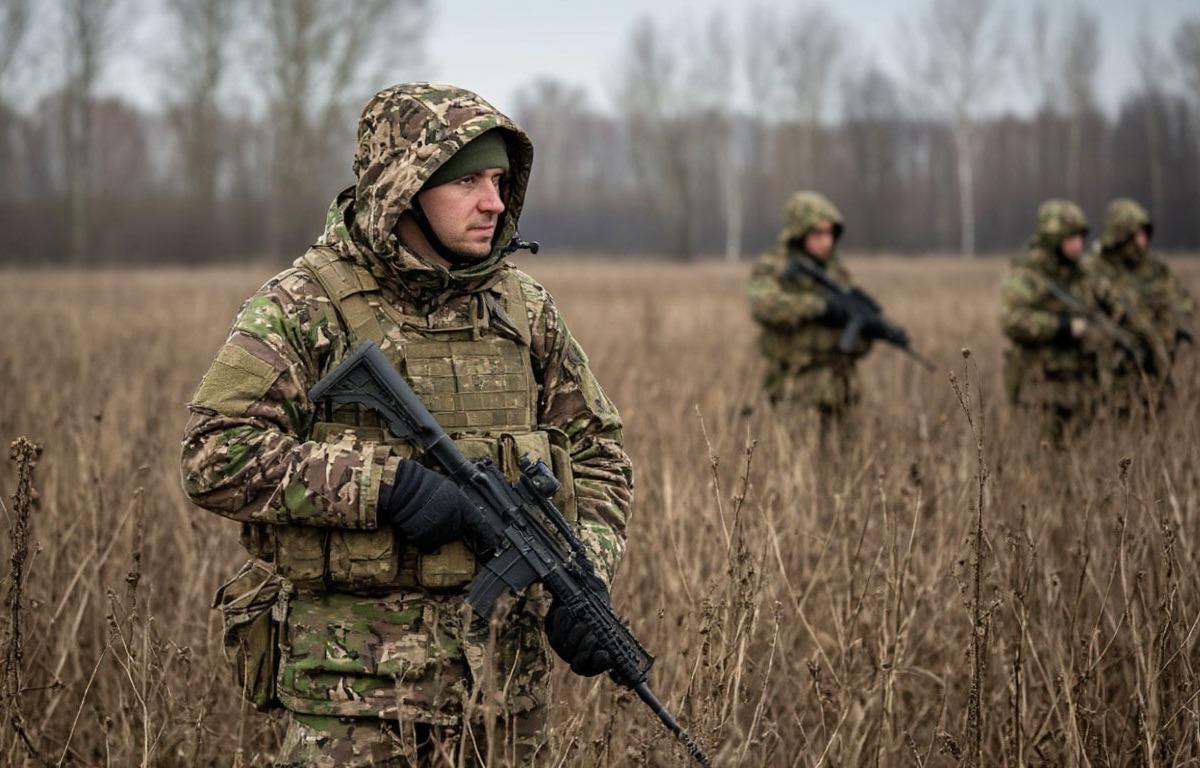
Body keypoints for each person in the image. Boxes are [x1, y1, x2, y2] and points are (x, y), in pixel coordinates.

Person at [180, 83, 633, 766]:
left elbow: (598, 453)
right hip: (356, 700)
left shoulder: (524, 309)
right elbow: (215, 454)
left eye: (500, 181)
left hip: (503, 704)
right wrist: (385, 488)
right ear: (404, 187)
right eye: (468, 181)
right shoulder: (307, 304)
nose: (494, 202)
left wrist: (584, 571)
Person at [998, 199, 1160, 440]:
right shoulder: (1027, 276)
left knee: (1081, 451)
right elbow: (1011, 319)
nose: (1078, 244)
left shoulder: (1085, 274)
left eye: (1080, 238)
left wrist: (1136, 330)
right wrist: (1063, 327)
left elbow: (1115, 302)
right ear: (1054, 238)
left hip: (1081, 390)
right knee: (1037, 452)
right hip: (1037, 390)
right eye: (1071, 238)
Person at [747, 191, 875, 427]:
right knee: (795, 448)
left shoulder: (838, 272)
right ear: (799, 233)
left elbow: (859, 336)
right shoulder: (775, 266)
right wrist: (818, 307)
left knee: (844, 449)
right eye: (817, 233)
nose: (826, 241)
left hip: (840, 389)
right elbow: (763, 305)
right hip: (796, 386)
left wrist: (863, 330)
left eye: (830, 233)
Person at [1084, 198, 1193, 390]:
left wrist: (1173, 330)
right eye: (1137, 234)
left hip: (1157, 358)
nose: (1143, 240)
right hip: (1111, 363)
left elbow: (1180, 300)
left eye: (1144, 233)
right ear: (1121, 236)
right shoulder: (1094, 267)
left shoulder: (1155, 267)